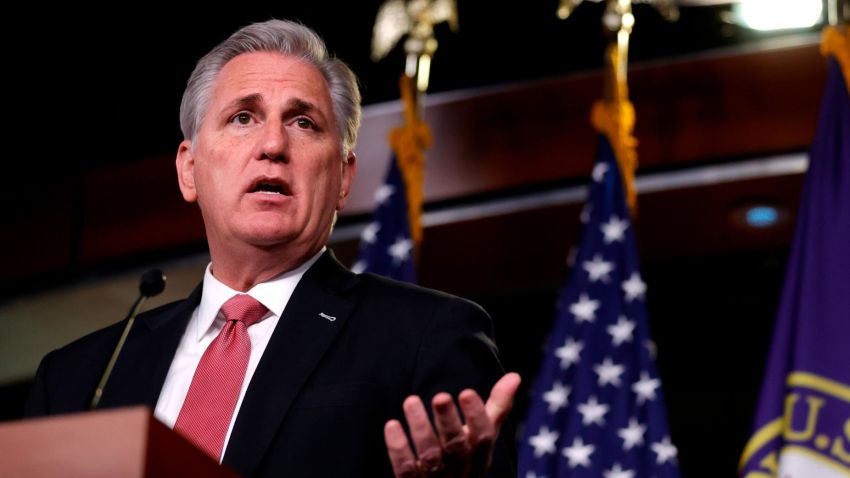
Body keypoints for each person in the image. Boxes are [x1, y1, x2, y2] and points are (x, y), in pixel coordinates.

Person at [25, 19, 520, 478]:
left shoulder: (425, 337)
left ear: (344, 178)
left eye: (304, 123)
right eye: (243, 117)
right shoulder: (76, 377)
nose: (273, 145)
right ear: (189, 169)